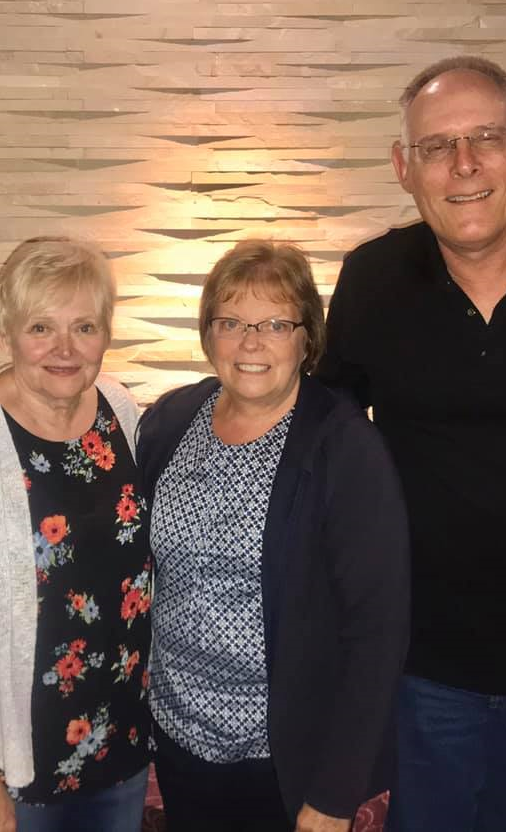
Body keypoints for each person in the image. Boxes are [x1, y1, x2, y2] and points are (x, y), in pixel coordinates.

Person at [318, 55, 506, 832]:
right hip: (422, 664)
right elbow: (328, 449)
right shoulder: (372, 279)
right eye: (435, 146)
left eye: (486, 136)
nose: (463, 164)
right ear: (403, 167)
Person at [136, 239, 410, 832]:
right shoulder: (169, 420)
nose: (250, 342)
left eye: (275, 324)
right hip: (179, 735)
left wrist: (336, 791)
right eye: (231, 322)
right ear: (208, 334)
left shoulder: (345, 447)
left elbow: (378, 629)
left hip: (284, 755)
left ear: (307, 339)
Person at [0, 236, 152, 832]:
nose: (65, 349)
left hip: (119, 739)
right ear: (6, 334)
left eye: (84, 327)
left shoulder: (120, 410)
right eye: (41, 327)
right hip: (7, 758)